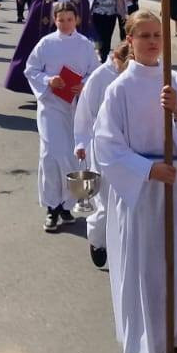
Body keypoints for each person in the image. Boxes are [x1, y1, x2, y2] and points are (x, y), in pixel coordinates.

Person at [95, 9, 177, 353]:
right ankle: (150, 347)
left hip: (176, 190)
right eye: (144, 36)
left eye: (157, 35)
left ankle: (174, 339)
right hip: (140, 195)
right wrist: (148, 170)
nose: (152, 42)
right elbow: (107, 146)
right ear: (130, 40)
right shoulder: (119, 90)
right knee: (146, 274)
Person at [26, 1, 101, 233]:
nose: (66, 24)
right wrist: (49, 80)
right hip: (51, 106)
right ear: (54, 20)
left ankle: (68, 205)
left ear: (76, 19)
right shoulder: (46, 43)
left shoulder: (85, 44)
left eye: (69, 19)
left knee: (71, 155)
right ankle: (52, 206)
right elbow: (31, 69)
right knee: (50, 155)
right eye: (61, 20)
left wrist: (84, 84)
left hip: (76, 108)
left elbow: (95, 72)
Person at [74, 40, 130, 269]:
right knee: (104, 201)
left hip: (130, 148)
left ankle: (123, 244)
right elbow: (85, 113)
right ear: (116, 58)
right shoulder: (100, 77)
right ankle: (97, 241)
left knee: (127, 201)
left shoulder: (136, 76)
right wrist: (81, 142)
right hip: (103, 146)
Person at [5, 0, 92, 95]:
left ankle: (69, 87)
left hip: (70, 29)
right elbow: (37, 7)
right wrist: (53, 9)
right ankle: (44, 85)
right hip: (49, 28)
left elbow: (83, 7)